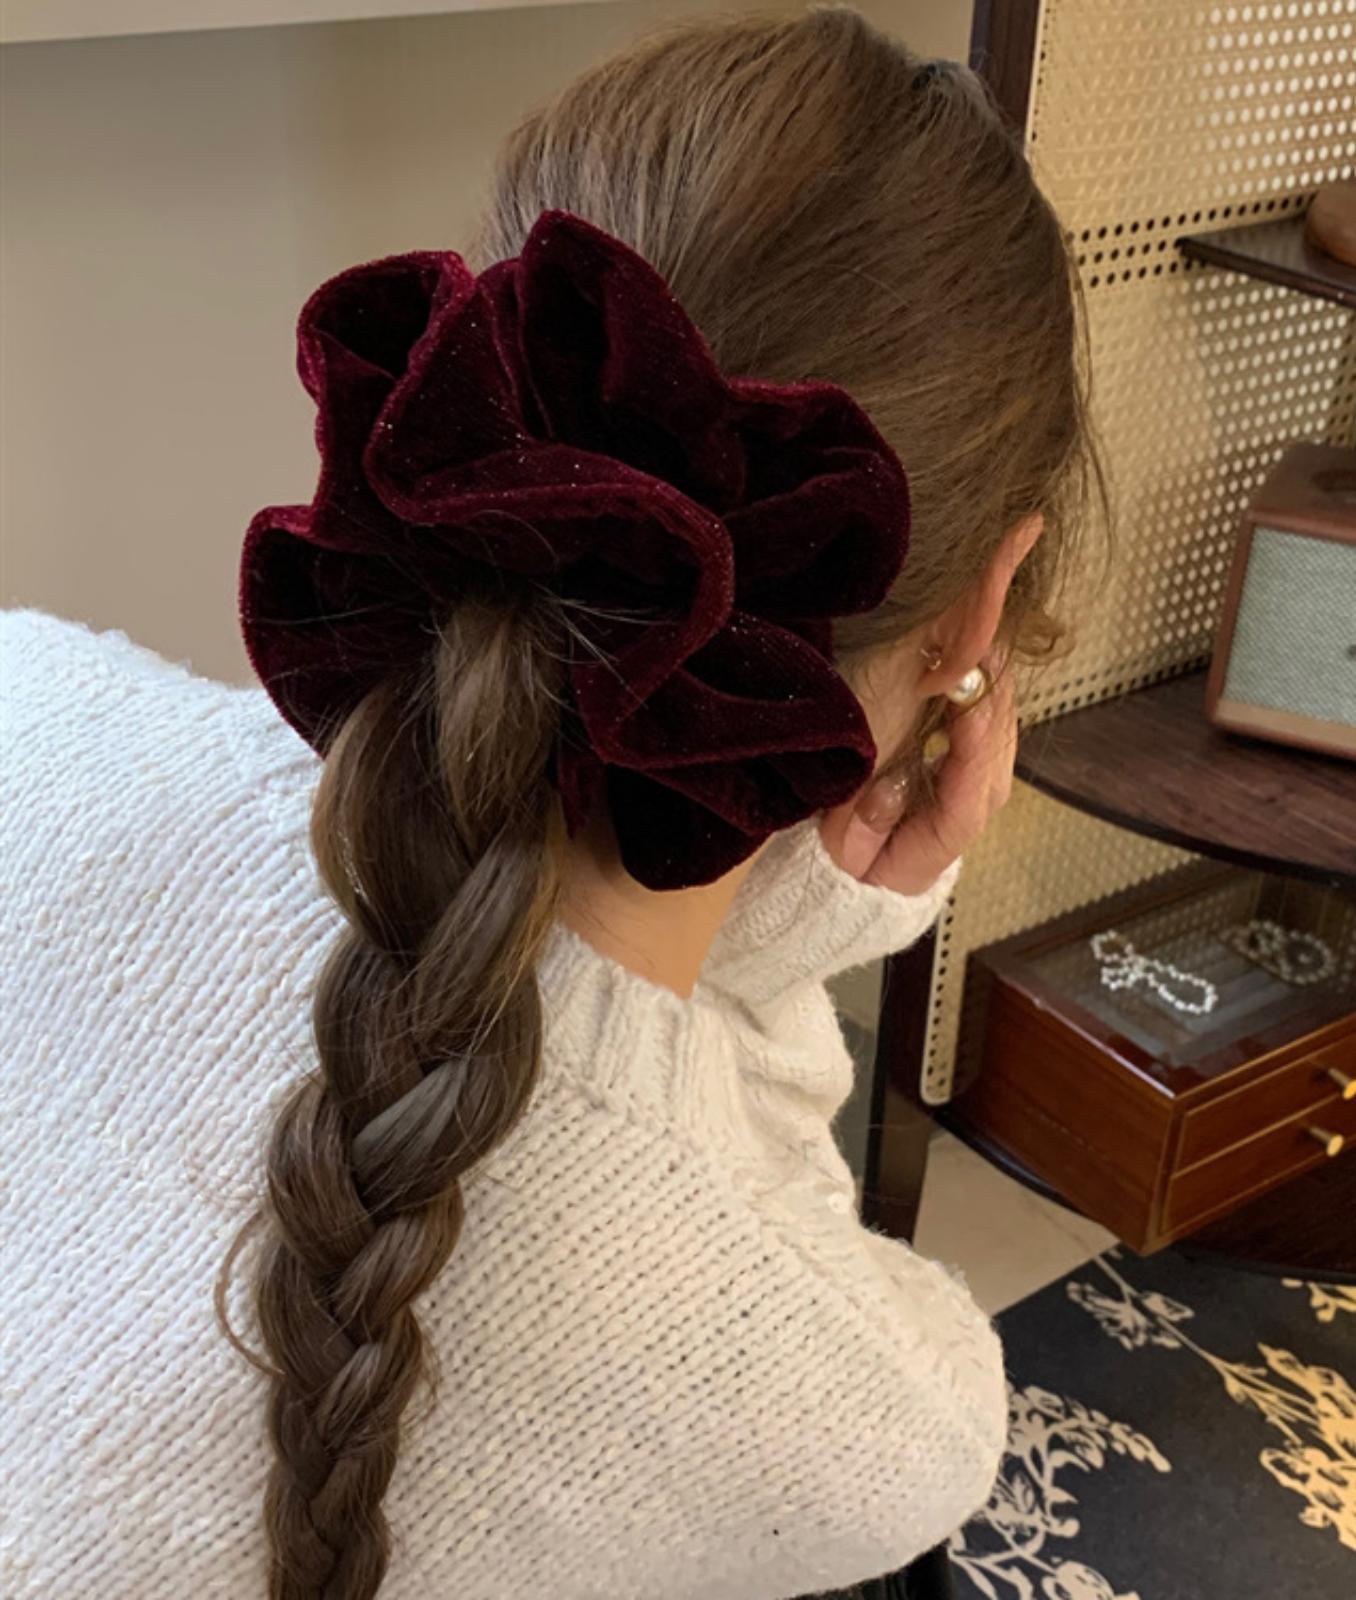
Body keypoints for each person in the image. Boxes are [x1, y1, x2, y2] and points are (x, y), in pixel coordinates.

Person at [0, 7, 1098, 1598]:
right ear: (981, 612)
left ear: (479, 399)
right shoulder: (870, 1418)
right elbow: (732, 1209)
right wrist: (795, 940)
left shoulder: (24, 689)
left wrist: (767, 908)